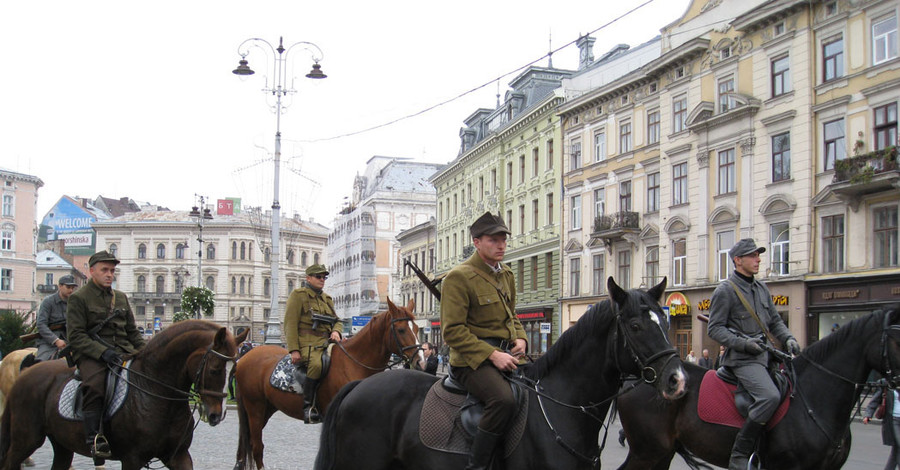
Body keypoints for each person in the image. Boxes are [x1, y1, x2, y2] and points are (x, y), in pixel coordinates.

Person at [442, 211, 527, 470]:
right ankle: (477, 465)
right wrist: (493, 354)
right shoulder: (459, 277)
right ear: (477, 242)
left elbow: (510, 315)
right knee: (503, 400)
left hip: (507, 356)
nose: (501, 245)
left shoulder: (507, 274)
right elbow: (453, 331)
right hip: (471, 361)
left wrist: (521, 337)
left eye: (503, 239)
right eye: (493, 240)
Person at [707, 238, 801, 470]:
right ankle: (740, 452)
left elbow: (775, 322)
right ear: (738, 261)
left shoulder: (761, 288)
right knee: (769, 396)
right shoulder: (725, 291)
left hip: (766, 356)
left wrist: (788, 338)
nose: (758, 259)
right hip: (742, 359)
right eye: (753, 256)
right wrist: (745, 344)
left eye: (758, 255)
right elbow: (715, 328)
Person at [67, 251, 146, 460]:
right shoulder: (79, 298)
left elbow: (132, 331)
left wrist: (146, 352)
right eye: (105, 270)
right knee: (95, 386)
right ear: (92, 271)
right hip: (92, 355)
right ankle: (94, 439)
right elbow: (76, 336)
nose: (109, 274)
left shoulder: (120, 297)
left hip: (122, 351)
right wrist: (102, 353)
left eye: (112, 270)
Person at [284, 264, 342, 424]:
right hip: (306, 344)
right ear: (308, 278)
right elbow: (290, 323)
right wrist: (294, 350)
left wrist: (336, 331)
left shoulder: (327, 299)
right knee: (316, 365)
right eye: (318, 277)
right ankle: (308, 407)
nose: (322, 280)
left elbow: (337, 321)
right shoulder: (298, 295)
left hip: (326, 342)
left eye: (324, 277)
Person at [34, 274, 79, 361]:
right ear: (60, 286)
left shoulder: (74, 303)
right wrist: (55, 340)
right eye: (68, 287)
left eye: (72, 288)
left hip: (69, 340)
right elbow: (41, 324)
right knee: (42, 363)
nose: (71, 290)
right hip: (49, 342)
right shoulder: (48, 302)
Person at [864, 382, 900, 469]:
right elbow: (875, 400)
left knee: (896, 450)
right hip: (894, 421)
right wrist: (868, 414)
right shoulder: (886, 383)